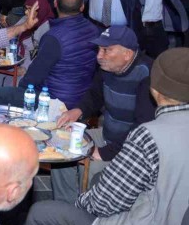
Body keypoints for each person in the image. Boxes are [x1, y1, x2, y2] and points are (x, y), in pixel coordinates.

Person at [19, 48, 189, 225]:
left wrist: (78, 203)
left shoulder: (149, 135)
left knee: (43, 215)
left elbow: (104, 202)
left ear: (155, 89)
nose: (100, 54)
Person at [52, 25, 156, 203]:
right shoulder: (108, 67)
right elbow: (95, 95)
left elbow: (142, 129)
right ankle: (65, 206)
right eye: (99, 49)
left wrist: (105, 152)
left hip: (131, 149)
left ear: (127, 54)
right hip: (107, 133)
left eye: (107, 50)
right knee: (61, 150)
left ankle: (86, 212)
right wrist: (77, 111)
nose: (99, 56)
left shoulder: (147, 75)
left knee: (90, 169)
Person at [0, 0, 99, 109]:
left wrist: (20, 91)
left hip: (53, 101)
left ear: (55, 3)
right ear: (82, 6)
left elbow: (34, 75)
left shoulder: (53, 37)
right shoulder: (94, 31)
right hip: (83, 100)